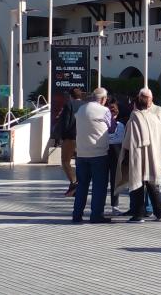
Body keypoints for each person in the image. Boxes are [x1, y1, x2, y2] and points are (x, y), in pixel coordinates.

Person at [116, 88, 161, 223]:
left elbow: (128, 139)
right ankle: (160, 214)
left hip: (139, 155)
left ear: (135, 104)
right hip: (153, 155)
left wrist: (125, 154)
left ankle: (138, 214)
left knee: (138, 184)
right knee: (152, 185)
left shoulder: (134, 117)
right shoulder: (154, 118)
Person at [72, 88, 112, 223]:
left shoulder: (81, 109)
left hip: (81, 153)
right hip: (99, 153)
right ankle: (96, 215)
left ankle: (77, 214)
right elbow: (110, 126)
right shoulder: (104, 111)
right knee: (99, 186)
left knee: (82, 185)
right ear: (102, 99)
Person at [58, 87, 85, 197]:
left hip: (70, 137)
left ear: (70, 96)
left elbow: (66, 122)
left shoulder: (69, 104)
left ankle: (74, 183)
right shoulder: (85, 105)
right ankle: (75, 185)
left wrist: (62, 136)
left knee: (65, 161)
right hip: (82, 137)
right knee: (79, 162)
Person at [106, 98, 125, 215]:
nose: (113, 111)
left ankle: (115, 205)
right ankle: (102, 205)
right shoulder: (103, 122)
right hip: (106, 153)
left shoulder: (121, 124)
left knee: (114, 181)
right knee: (104, 180)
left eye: (114, 109)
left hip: (115, 154)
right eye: (110, 109)